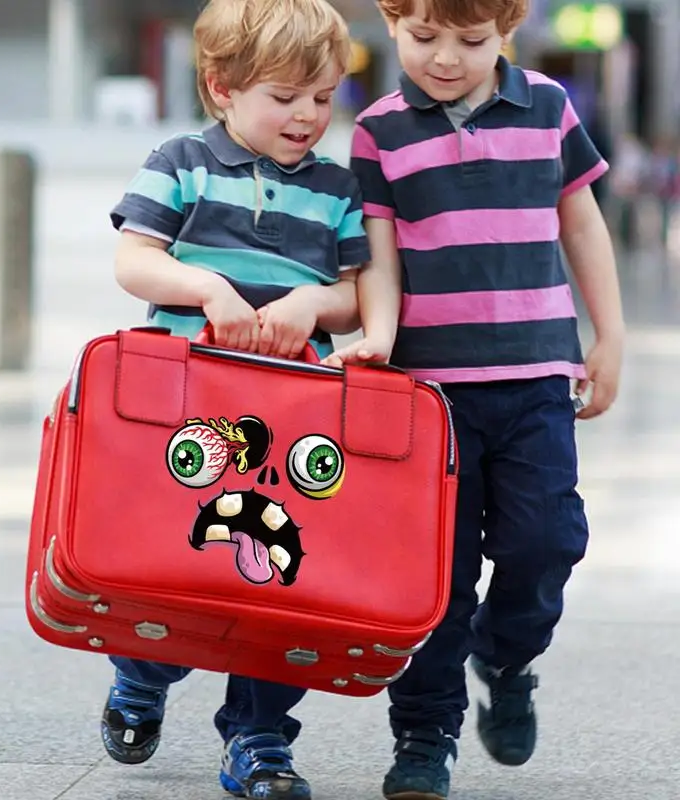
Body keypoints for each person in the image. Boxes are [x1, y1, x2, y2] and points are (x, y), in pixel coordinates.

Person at [324, 1, 625, 798]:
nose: (447, 58)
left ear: (507, 32)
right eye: (425, 38)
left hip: (534, 380)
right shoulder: (378, 131)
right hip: (429, 398)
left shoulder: (549, 109)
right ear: (391, 24)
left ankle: (509, 653)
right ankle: (425, 736)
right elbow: (379, 255)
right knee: (434, 580)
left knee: (546, 540)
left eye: (472, 40)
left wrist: (610, 335)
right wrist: (380, 337)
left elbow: (583, 226)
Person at [104, 1, 369, 798]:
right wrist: (206, 288)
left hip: (296, 416)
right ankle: (142, 669)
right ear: (222, 88)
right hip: (190, 402)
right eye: (285, 96)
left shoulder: (336, 187)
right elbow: (134, 260)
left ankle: (259, 736)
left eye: (322, 98)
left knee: (283, 571)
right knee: (178, 557)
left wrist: (311, 307)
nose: (307, 116)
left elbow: (354, 294)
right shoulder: (181, 160)